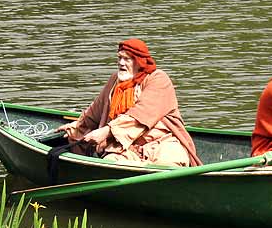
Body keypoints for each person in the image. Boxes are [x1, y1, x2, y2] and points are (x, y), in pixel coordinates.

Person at [60, 39, 201, 166]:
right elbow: (94, 113)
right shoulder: (115, 80)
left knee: (168, 163)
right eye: (119, 58)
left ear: (139, 62)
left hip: (160, 145)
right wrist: (76, 127)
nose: (121, 63)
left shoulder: (158, 79)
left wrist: (107, 131)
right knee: (111, 163)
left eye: (127, 59)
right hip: (123, 149)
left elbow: (140, 116)